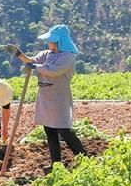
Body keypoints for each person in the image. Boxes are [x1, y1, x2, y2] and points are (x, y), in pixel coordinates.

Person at [6, 24, 87, 165]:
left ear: (59, 41)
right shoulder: (46, 54)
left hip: (59, 98)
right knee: (49, 131)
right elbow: (31, 61)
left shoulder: (68, 57)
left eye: (51, 40)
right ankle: (56, 163)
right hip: (45, 97)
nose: (48, 42)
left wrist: (35, 67)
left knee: (64, 131)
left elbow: (53, 71)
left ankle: (85, 158)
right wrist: (19, 54)